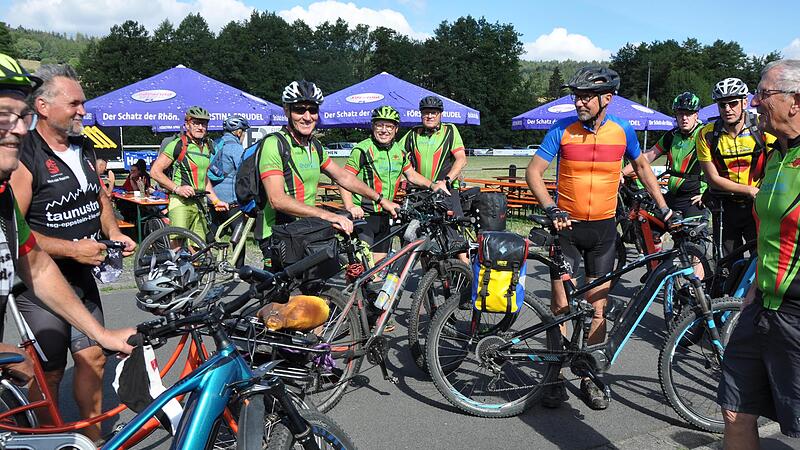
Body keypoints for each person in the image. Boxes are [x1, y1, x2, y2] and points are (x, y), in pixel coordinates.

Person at [526, 66, 675, 410]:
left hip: (603, 231)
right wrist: (550, 208)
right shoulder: (561, 129)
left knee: (597, 308)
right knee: (560, 307)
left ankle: (590, 376)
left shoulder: (623, 131)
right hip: (566, 228)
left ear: (607, 98)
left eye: (586, 96)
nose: (579, 102)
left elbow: (641, 167)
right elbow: (534, 171)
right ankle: (554, 377)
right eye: (576, 96)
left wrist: (664, 208)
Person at [7, 61, 136, 441]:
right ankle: (46, 438)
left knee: (94, 356)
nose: (83, 111)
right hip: (37, 282)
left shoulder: (82, 145)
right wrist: (72, 248)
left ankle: (91, 439)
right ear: (43, 107)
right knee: (48, 369)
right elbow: (16, 235)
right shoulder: (24, 155)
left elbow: (98, 195)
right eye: (75, 103)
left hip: (80, 275)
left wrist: (112, 232)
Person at [718, 59, 800, 450]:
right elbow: (772, 232)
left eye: (763, 94)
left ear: (795, 101)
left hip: (797, 315)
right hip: (761, 305)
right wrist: (753, 289)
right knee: (735, 410)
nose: (753, 102)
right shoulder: (775, 156)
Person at [258, 80, 400, 261]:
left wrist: (381, 200)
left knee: (327, 281)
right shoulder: (274, 144)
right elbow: (277, 199)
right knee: (289, 289)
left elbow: (343, 177)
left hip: (306, 230)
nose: (307, 116)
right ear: (287, 110)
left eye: (313, 110)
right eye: (300, 110)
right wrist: (328, 215)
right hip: (278, 235)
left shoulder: (314, 146)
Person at [340, 105, 439, 263]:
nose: (384, 130)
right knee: (364, 265)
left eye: (389, 126)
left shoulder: (399, 151)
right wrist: (350, 206)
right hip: (364, 215)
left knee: (379, 264)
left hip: (385, 215)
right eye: (380, 125)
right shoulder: (362, 150)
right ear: (373, 126)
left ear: (396, 129)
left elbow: (411, 175)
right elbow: (343, 179)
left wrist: (433, 185)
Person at [696, 77, 775, 257]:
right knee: (728, 263)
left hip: (757, 205)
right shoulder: (707, 134)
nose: (727, 109)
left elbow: (774, 164)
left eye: (733, 103)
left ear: (744, 102)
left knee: (761, 258)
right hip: (725, 206)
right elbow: (713, 179)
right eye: (722, 105)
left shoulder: (761, 127)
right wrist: (748, 190)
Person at [398, 95, 468, 264]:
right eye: (426, 113)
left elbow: (461, 159)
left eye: (434, 113)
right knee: (420, 237)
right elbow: (396, 156)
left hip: (446, 190)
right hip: (420, 192)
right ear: (421, 115)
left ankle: (466, 275)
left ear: (440, 115)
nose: (429, 116)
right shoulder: (412, 134)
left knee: (454, 233)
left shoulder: (450, 131)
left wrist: (447, 181)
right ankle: (427, 281)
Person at [150, 106, 228, 238]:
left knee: (199, 249)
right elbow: (155, 172)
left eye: (203, 124)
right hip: (180, 203)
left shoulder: (207, 146)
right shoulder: (177, 145)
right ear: (187, 125)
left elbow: (204, 178)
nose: (200, 127)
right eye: (195, 123)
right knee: (177, 246)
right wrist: (177, 188)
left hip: (199, 203)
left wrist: (215, 201)